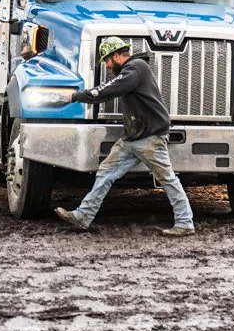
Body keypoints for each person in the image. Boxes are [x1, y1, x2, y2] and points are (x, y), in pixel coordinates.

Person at [54, 37, 195, 236]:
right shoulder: (133, 70)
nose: (107, 65)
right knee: (106, 172)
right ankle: (83, 215)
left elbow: (109, 89)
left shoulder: (135, 68)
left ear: (117, 55)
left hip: (150, 138)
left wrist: (77, 96)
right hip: (133, 138)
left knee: (167, 178)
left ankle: (185, 222)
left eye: (108, 60)